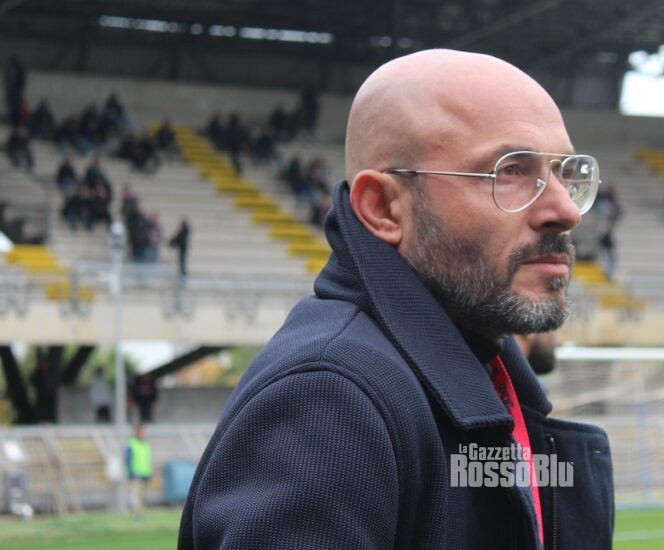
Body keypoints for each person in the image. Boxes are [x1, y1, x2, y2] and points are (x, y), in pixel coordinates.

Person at [180, 49, 614, 550]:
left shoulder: (485, 375)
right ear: (383, 207)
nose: (565, 210)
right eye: (510, 171)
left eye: (565, 172)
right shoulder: (330, 399)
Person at [126, 424, 153, 520]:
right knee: (136, 496)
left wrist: (149, 473)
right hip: (135, 475)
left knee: (142, 497)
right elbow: (127, 460)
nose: (144, 434)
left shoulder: (145, 444)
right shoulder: (131, 444)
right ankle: (136, 515)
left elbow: (147, 460)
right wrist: (131, 473)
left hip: (145, 474)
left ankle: (141, 514)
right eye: (142, 432)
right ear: (137, 432)